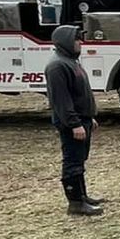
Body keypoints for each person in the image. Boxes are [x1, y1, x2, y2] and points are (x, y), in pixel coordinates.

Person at [44, 24, 103, 217]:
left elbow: (80, 94)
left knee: (80, 159)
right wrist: (74, 124)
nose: (81, 42)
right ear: (66, 41)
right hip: (72, 124)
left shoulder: (71, 62)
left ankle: (82, 196)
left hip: (82, 119)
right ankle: (75, 203)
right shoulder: (57, 66)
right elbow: (62, 100)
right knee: (72, 162)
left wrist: (88, 117)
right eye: (77, 39)